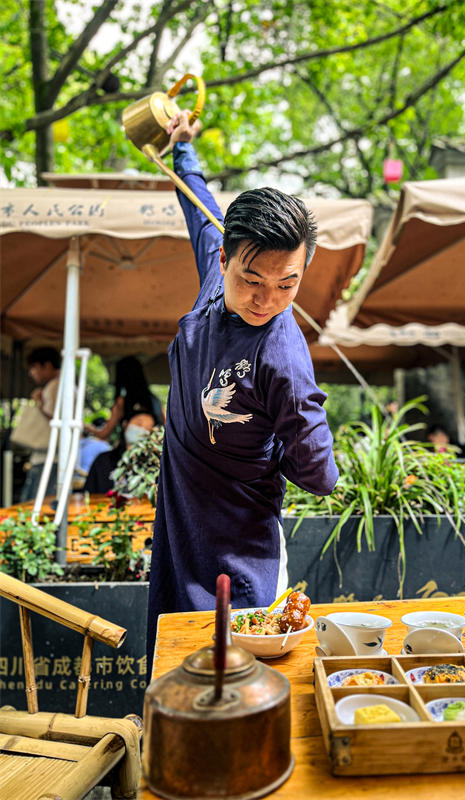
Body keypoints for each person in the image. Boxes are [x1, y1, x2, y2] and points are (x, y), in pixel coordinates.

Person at [147, 110, 339, 660]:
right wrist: (182, 146)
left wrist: (268, 443)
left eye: (287, 284)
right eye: (251, 280)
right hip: (181, 515)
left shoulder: (284, 360)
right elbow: (196, 202)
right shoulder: (215, 269)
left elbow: (320, 474)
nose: (267, 299)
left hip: (240, 540)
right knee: (174, 661)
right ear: (225, 258)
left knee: (245, 675)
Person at [85, 356, 164, 442]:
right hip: (154, 450)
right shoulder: (154, 400)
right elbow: (166, 425)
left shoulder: (122, 402)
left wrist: (89, 428)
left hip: (130, 451)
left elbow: (105, 433)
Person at [19, 347, 61, 501]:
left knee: (36, 505)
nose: (31, 373)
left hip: (48, 458)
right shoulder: (63, 385)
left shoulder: (55, 387)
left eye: (34, 367)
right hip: (51, 457)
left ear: (47, 365)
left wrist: (39, 403)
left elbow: (55, 418)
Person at [83, 410, 158, 494]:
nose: (142, 430)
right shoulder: (103, 461)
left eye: (148, 428)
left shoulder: (153, 465)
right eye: (139, 424)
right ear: (125, 424)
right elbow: (88, 495)